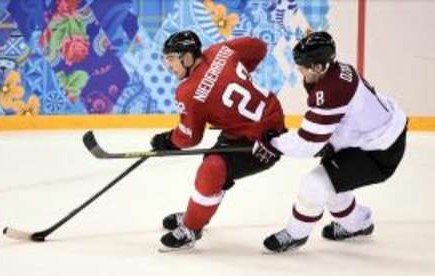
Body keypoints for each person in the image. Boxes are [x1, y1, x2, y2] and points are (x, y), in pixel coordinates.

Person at [252, 31, 407, 252]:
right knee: (333, 185)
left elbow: (308, 143)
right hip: (376, 138)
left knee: (315, 184)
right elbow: (346, 122)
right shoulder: (336, 71)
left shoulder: (332, 90)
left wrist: (273, 144)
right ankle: (358, 224)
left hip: (379, 152)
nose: (300, 71)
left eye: (303, 66)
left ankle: (295, 234)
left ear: (318, 67)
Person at [151, 30, 286, 250]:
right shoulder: (219, 51)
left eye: (173, 60)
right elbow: (258, 47)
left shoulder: (188, 92)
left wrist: (168, 140)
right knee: (215, 169)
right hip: (266, 119)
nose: (169, 67)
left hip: (261, 141)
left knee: (212, 170)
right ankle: (197, 213)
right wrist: (237, 75)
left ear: (187, 57)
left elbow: (189, 138)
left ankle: (191, 227)